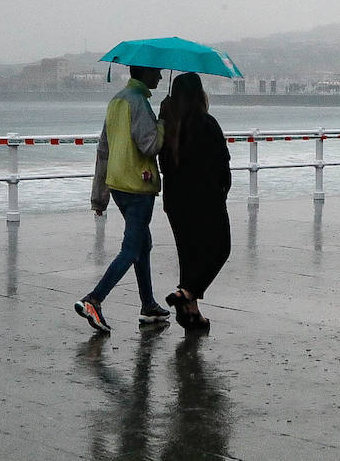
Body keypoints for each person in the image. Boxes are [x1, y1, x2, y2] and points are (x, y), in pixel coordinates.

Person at [75, 65, 168, 333]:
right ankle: (93, 299)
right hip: (138, 184)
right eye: (157, 73)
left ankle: (148, 304)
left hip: (117, 184)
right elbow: (150, 145)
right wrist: (162, 123)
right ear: (145, 73)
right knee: (131, 248)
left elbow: (103, 149)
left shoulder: (116, 100)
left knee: (143, 243)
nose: (160, 77)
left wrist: (100, 197)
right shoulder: (138, 102)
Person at [157, 72, 231, 332]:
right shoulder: (207, 123)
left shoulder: (167, 126)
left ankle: (191, 312)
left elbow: (163, 164)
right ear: (199, 94)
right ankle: (187, 293)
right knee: (221, 249)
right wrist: (223, 190)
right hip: (206, 198)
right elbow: (223, 162)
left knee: (188, 255)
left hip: (175, 200)